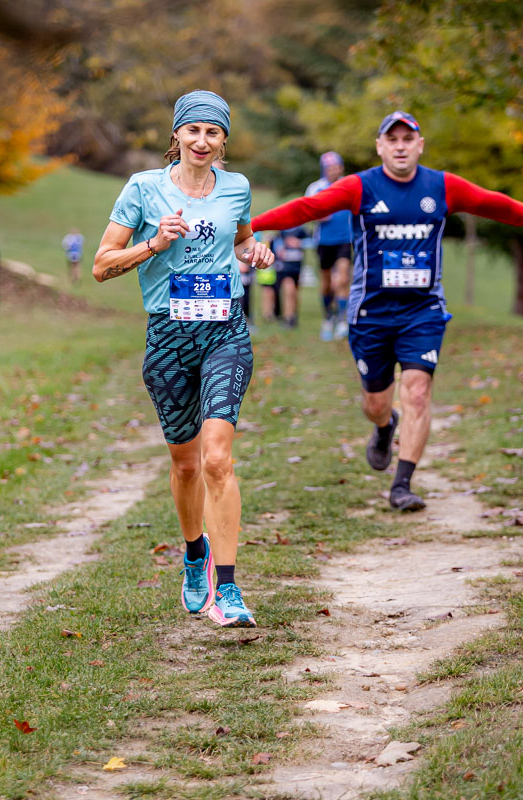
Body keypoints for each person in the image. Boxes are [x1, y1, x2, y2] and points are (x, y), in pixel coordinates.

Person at [253, 110, 523, 511]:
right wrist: (249, 226)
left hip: (422, 311)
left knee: (417, 391)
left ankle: (402, 485)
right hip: (371, 313)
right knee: (376, 404)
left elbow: (495, 205)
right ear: (380, 146)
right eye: (392, 140)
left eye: (407, 139)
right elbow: (306, 209)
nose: (400, 147)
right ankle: (384, 428)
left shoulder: (442, 187)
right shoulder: (360, 187)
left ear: (420, 145)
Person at [93, 90, 275, 626]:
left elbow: (241, 241)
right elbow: (102, 265)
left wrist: (255, 252)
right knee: (187, 463)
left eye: (212, 132)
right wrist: (154, 243)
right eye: (193, 130)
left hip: (225, 332)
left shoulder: (237, 187)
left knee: (217, 458)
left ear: (223, 140)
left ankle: (229, 588)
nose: (202, 140)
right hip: (169, 337)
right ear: (176, 134)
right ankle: (195, 553)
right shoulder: (143, 188)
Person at [306, 152, 353, 341]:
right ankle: (328, 316)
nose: (334, 171)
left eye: (337, 167)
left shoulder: (348, 185)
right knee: (326, 283)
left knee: (343, 278)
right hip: (324, 241)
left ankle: (342, 320)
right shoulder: (315, 188)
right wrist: (319, 215)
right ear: (324, 170)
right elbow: (307, 211)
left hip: (344, 239)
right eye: (330, 168)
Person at [272, 225, 307, 328]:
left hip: (297, 267)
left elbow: (312, 241)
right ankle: (288, 317)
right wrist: (279, 249)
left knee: (294, 293)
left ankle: (293, 316)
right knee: (289, 290)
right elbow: (275, 243)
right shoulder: (281, 230)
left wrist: (300, 243)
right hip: (284, 267)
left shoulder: (301, 229)